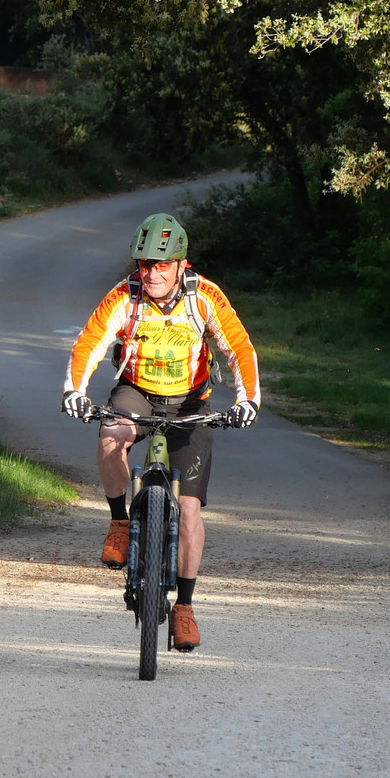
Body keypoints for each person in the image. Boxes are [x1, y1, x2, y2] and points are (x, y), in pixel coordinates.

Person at [61, 212, 259, 651]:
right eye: (145, 264)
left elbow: (238, 347)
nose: (152, 273)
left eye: (162, 265)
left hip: (190, 402)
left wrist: (248, 400)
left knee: (188, 511)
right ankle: (119, 521)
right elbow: (90, 342)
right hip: (137, 391)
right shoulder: (124, 296)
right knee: (111, 433)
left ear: (181, 264)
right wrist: (74, 391)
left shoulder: (204, 296)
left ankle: (184, 607)